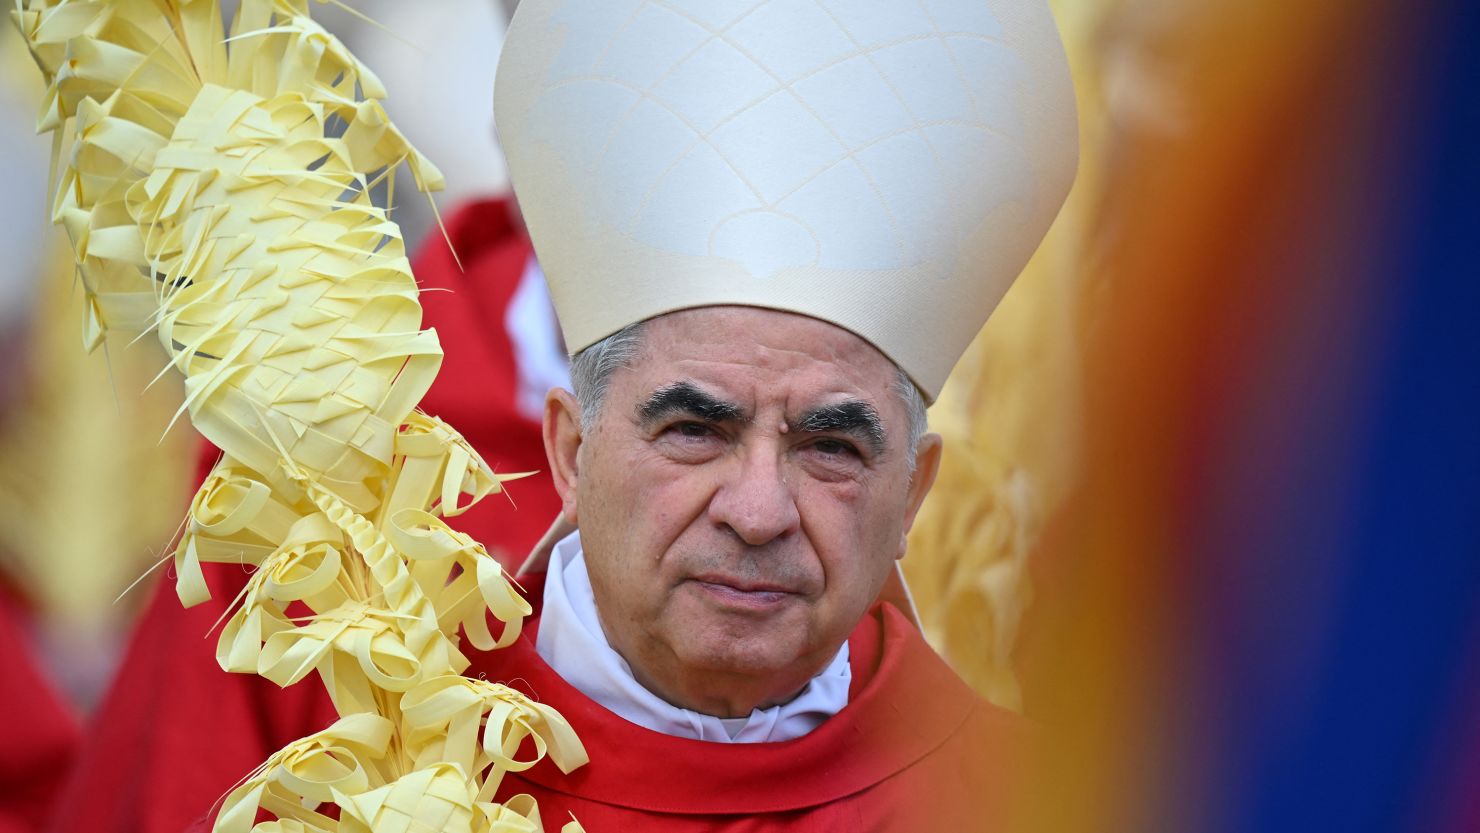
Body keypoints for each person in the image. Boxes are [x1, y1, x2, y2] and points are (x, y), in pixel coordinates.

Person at [55, 0, 1078, 830]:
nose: (759, 510)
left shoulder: (1037, 796)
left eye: (831, 445)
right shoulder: (368, 727)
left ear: (916, 491)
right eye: (695, 428)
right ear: (569, 449)